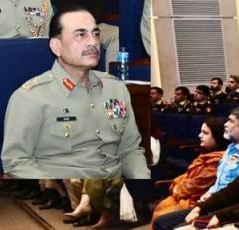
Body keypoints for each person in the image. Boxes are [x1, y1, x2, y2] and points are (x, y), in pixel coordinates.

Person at [1, 5, 148, 178]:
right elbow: (16, 163)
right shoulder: (30, 98)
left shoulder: (116, 89)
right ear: (56, 47)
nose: (93, 42)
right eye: (80, 35)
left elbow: (130, 150)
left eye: (95, 34)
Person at [146, 118, 229, 230]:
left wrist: (178, 189)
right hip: (188, 194)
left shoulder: (219, 159)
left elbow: (197, 184)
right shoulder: (207, 155)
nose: (200, 135)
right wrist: (177, 186)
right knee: (162, 207)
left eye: (205, 133)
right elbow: (187, 177)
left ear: (217, 136)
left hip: (199, 200)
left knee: (164, 215)